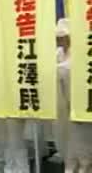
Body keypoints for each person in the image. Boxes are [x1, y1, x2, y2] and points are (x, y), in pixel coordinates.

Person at [54, 18, 92, 172]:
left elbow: (69, 69)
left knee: (83, 146)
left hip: (80, 107)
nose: (59, 40)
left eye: (62, 37)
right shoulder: (59, 53)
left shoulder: (80, 53)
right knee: (68, 144)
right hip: (65, 108)